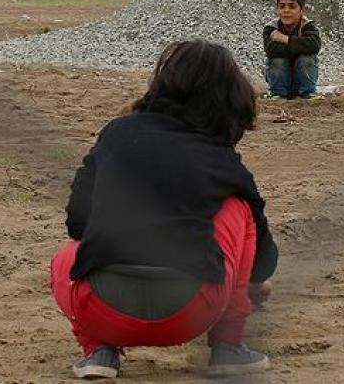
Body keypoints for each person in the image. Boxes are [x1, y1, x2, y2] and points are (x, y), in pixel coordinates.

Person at [50, 41, 278, 380]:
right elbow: (264, 260)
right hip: (190, 313)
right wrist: (253, 284)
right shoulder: (220, 158)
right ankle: (228, 347)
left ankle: (99, 350)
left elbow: (79, 223)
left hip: (102, 309)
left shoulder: (117, 134)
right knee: (237, 207)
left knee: (67, 257)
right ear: (230, 100)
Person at [263, 0, 321, 99]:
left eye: (292, 6)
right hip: (281, 79)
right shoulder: (271, 28)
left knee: (306, 59)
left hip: (302, 80)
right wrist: (299, 47)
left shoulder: (308, 26)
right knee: (277, 61)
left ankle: (308, 92)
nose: (286, 10)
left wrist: (286, 39)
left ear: (302, 10)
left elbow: (314, 45)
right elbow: (271, 50)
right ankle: (277, 93)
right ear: (277, 9)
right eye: (282, 6)